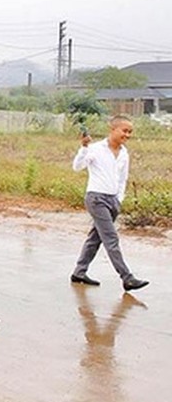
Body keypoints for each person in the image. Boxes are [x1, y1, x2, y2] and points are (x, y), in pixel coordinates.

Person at [70, 115, 148, 291]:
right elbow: (77, 166)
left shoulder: (124, 153)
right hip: (96, 198)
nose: (127, 135)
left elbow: (123, 179)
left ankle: (79, 272)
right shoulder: (96, 148)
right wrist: (83, 147)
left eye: (130, 132)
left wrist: (119, 200)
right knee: (111, 238)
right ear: (112, 129)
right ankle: (127, 278)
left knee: (95, 238)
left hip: (113, 200)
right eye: (124, 131)